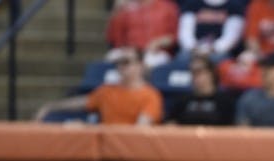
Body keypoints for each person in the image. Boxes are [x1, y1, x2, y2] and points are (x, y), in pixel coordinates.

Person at [34, 47, 163, 125]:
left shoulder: (150, 95)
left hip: (132, 154)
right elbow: (82, 102)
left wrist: (93, 129)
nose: (121, 67)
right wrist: (50, 107)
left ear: (140, 65)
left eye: (126, 62)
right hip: (105, 152)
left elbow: (140, 132)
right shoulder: (107, 91)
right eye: (118, 63)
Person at [165, 55, 238, 125]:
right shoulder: (182, 101)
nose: (195, 75)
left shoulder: (225, 101)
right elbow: (170, 123)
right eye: (192, 72)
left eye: (199, 71)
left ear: (211, 73)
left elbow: (231, 128)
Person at [105, 0, 180, 68]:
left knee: (147, 61)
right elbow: (113, 37)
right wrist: (116, 11)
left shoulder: (168, 7)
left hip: (156, 52)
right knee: (112, 57)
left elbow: (174, 37)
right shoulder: (127, 8)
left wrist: (158, 42)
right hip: (130, 51)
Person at [177, 0, 246, 62]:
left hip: (219, 51)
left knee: (219, 58)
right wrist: (193, 47)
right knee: (183, 57)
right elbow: (185, 33)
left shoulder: (234, 5)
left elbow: (231, 37)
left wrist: (214, 48)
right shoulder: (192, 3)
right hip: (194, 49)